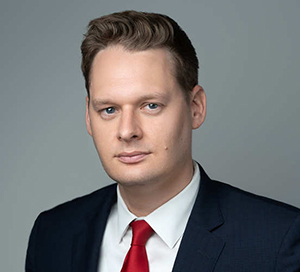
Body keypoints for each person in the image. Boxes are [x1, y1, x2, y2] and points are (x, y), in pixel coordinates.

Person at [25, 10, 300, 272]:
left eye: (151, 105)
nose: (127, 131)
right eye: (109, 109)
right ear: (88, 116)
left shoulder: (278, 241)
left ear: (195, 107)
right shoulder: (52, 233)